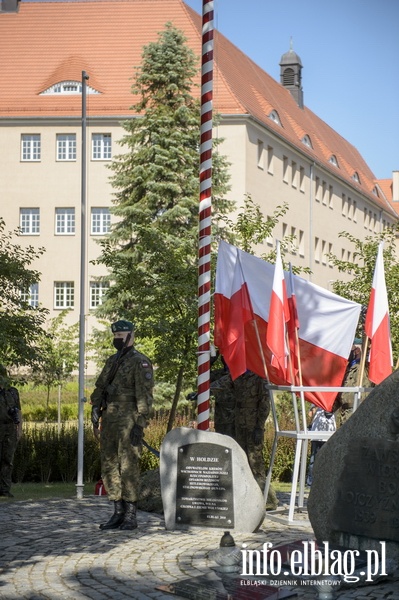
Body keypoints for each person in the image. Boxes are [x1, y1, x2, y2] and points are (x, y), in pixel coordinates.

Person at [91, 320, 154, 531]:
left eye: (121, 336)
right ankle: (117, 511)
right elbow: (100, 386)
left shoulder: (140, 362)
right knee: (109, 464)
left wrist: (140, 424)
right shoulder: (112, 361)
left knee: (128, 466)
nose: (117, 340)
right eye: (115, 336)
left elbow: (145, 396)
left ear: (130, 336)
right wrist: (95, 408)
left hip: (129, 419)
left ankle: (130, 514)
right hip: (109, 418)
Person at [0, 365, 22, 498]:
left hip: (9, 429)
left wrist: (19, 428)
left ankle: (4, 489)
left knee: (7, 460)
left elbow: (18, 411)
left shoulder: (12, 391)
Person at [306, 405, 336, 486]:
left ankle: (324, 482)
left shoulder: (333, 403)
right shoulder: (317, 403)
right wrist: (315, 406)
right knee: (313, 460)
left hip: (328, 435)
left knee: (327, 460)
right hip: (316, 435)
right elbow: (310, 414)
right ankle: (311, 482)